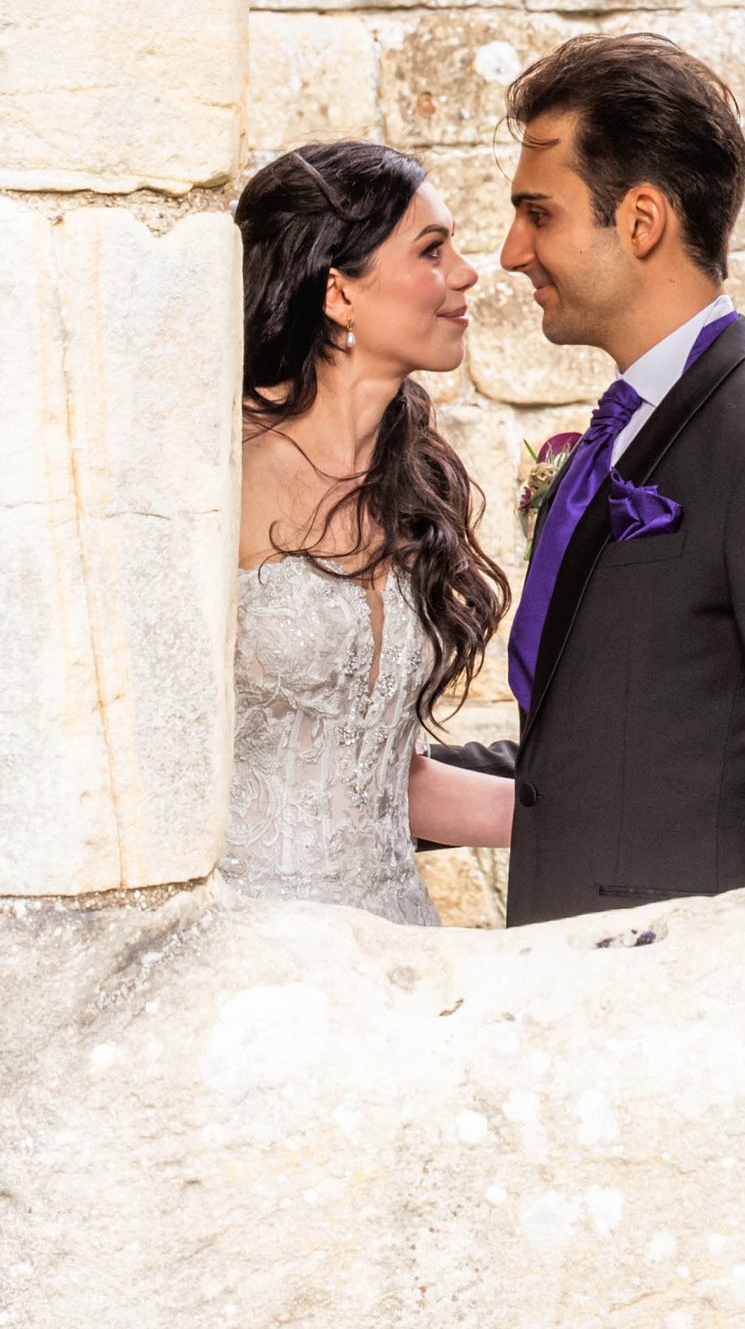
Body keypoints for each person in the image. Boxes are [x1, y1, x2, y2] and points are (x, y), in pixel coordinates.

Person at [483, 30, 745, 926]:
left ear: (640, 219)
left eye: (537, 213)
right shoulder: (614, 432)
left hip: (677, 988)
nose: (511, 251)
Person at [222, 141, 514, 923]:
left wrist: (607, 821)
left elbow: (389, 782)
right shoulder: (217, 473)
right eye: (432, 249)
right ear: (339, 292)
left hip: (399, 942)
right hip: (250, 951)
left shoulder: (414, 483)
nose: (465, 271)